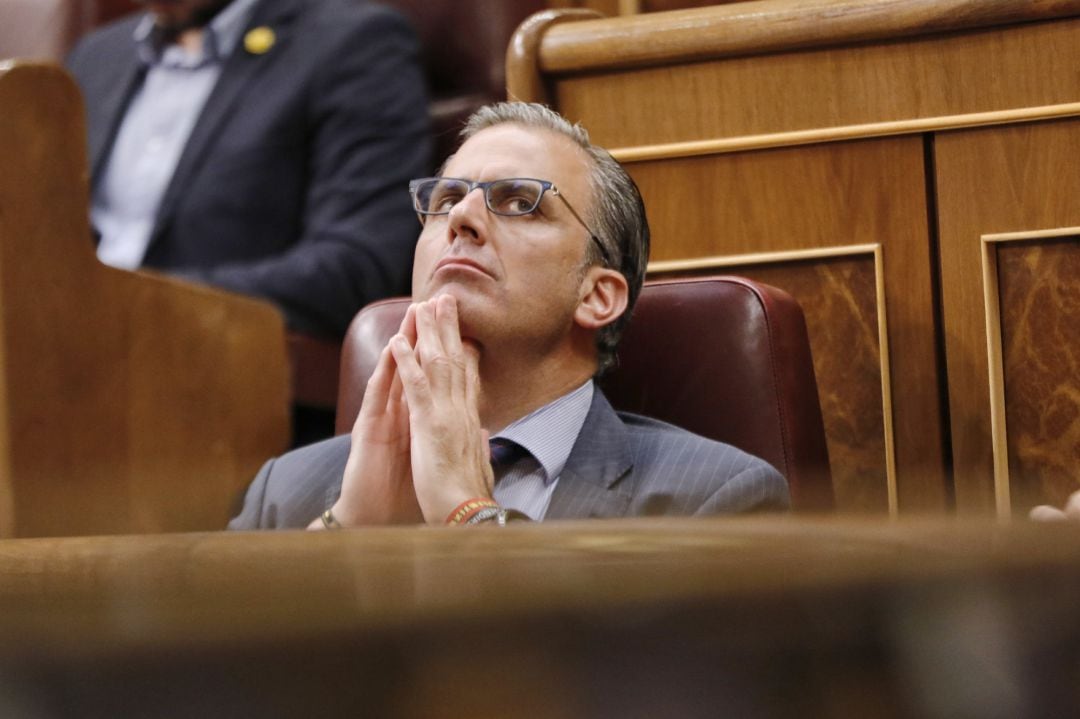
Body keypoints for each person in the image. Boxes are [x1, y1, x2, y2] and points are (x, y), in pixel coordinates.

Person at [228, 102, 789, 530]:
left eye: (520, 203)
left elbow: (635, 684)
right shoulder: (287, 492)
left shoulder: (712, 500)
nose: (462, 217)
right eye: (446, 200)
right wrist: (346, 529)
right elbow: (217, 682)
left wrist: (467, 512)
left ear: (597, 296)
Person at [66, 0, 431, 340]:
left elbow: (354, 267)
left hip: (206, 362)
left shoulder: (353, 44)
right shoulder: (96, 55)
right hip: (53, 343)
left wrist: (134, 301)